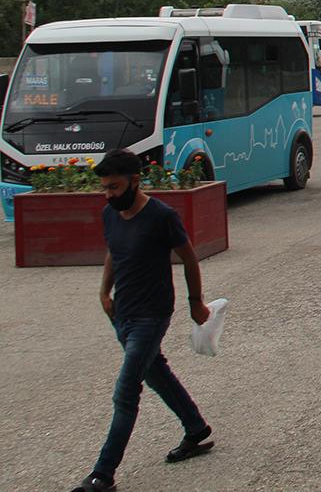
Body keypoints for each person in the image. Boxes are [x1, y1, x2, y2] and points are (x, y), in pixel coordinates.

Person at [71, 150, 214, 492]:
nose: (108, 195)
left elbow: (189, 257)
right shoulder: (110, 214)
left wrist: (196, 302)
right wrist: (104, 293)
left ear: (135, 181)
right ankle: (196, 429)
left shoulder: (161, 216)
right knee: (156, 373)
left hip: (152, 315)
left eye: (114, 187)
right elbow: (113, 252)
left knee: (126, 392)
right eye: (104, 188)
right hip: (122, 313)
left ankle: (103, 475)